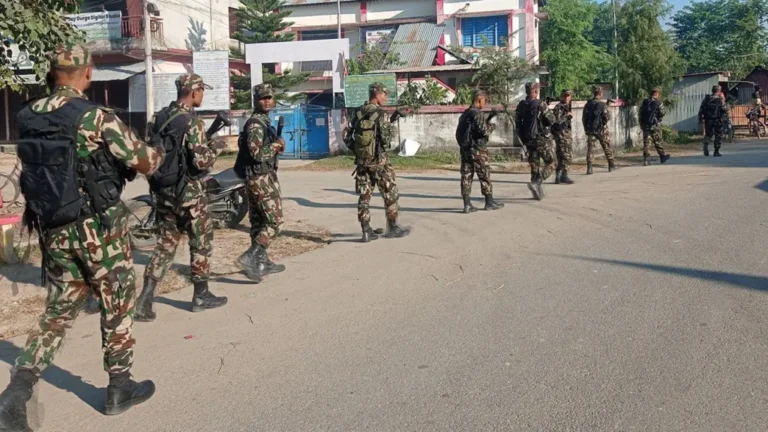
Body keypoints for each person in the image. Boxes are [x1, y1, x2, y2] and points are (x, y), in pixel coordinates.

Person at [0, 43, 164, 430]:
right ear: (88, 73)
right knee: (117, 301)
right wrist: (154, 151)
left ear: (52, 72)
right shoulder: (94, 117)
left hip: (53, 228)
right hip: (98, 230)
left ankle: (16, 393)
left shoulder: (27, 115)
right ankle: (119, 387)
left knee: (58, 312)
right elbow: (145, 162)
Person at [134, 74, 228, 322]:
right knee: (201, 240)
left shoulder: (158, 118)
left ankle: (145, 299)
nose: (202, 95)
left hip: (163, 193)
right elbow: (201, 162)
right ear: (194, 92)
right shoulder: (193, 122)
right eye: (202, 91)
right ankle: (201, 294)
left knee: (166, 244)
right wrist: (217, 146)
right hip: (189, 194)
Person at [235, 84, 288, 281]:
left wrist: (275, 146)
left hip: (257, 177)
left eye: (269, 97)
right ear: (256, 101)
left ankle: (260, 263)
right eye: (263, 98)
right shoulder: (256, 125)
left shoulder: (263, 122)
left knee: (259, 222)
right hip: (261, 178)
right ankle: (251, 256)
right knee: (275, 221)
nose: (267, 101)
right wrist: (276, 145)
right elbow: (257, 154)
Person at [348, 82, 410, 242]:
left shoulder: (358, 112)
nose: (385, 98)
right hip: (379, 162)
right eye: (384, 95)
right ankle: (393, 227)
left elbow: (348, 136)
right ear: (376, 95)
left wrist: (359, 152)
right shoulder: (382, 114)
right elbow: (386, 141)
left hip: (362, 162)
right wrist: (390, 126)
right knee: (390, 192)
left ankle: (366, 231)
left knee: (364, 196)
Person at [455, 89, 504, 213]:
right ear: (480, 99)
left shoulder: (466, 113)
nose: (485, 103)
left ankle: (467, 204)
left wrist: (490, 117)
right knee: (484, 175)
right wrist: (492, 126)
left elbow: (475, 128)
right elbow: (483, 131)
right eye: (485, 101)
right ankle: (489, 201)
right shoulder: (477, 113)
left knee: (466, 175)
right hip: (477, 149)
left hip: (465, 149)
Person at [515, 82, 556, 201]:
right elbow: (551, 120)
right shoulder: (540, 104)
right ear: (536, 91)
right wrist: (547, 108)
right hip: (541, 138)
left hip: (528, 139)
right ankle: (537, 182)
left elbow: (517, 124)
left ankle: (537, 191)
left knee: (534, 166)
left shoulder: (521, 105)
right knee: (551, 163)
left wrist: (523, 139)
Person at [582, 85, 616, 174]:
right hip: (602, 129)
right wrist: (603, 123)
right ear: (601, 93)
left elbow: (584, 118)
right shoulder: (602, 105)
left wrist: (586, 129)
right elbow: (607, 117)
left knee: (590, 149)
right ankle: (611, 165)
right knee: (606, 146)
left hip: (591, 130)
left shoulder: (587, 105)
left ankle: (589, 167)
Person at [639, 87, 671, 166]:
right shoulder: (658, 103)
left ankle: (646, 160)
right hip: (655, 126)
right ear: (657, 94)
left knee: (647, 143)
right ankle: (662, 157)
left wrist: (641, 124)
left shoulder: (644, 102)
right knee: (658, 141)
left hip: (646, 126)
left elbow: (640, 114)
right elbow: (663, 113)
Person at [552, 89, 575, 184]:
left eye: (568, 96)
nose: (566, 98)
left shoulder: (566, 106)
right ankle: (564, 176)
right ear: (561, 96)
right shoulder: (559, 107)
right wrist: (567, 115)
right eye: (564, 96)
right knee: (567, 156)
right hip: (562, 134)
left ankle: (558, 176)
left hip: (564, 134)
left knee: (561, 156)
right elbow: (556, 121)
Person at [698, 85, 729, 157]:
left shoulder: (707, 98)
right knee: (718, 135)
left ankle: (706, 143)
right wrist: (724, 102)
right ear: (718, 91)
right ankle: (716, 151)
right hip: (717, 119)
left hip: (708, 119)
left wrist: (700, 119)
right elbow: (724, 109)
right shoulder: (720, 99)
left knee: (708, 134)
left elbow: (701, 109)